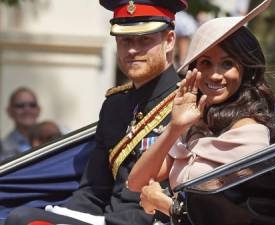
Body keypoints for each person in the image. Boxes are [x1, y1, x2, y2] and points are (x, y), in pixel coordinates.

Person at [5, 0, 187, 225]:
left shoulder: (187, 101)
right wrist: (60, 217)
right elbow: (93, 192)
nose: (132, 50)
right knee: (22, 217)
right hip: (108, 220)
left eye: (144, 40)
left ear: (169, 41)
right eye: (125, 40)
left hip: (154, 220)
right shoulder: (115, 105)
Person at [127, 5, 275, 217]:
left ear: (246, 70)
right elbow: (136, 183)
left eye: (227, 63)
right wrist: (175, 127)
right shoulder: (195, 126)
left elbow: (234, 216)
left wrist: (166, 204)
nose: (215, 75)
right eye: (206, 63)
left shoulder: (251, 135)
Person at [1, 87, 41, 161]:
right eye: (20, 105)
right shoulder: (1, 148)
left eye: (32, 105)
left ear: (39, 109)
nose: (27, 109)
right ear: (9, 111)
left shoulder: (55, 138)